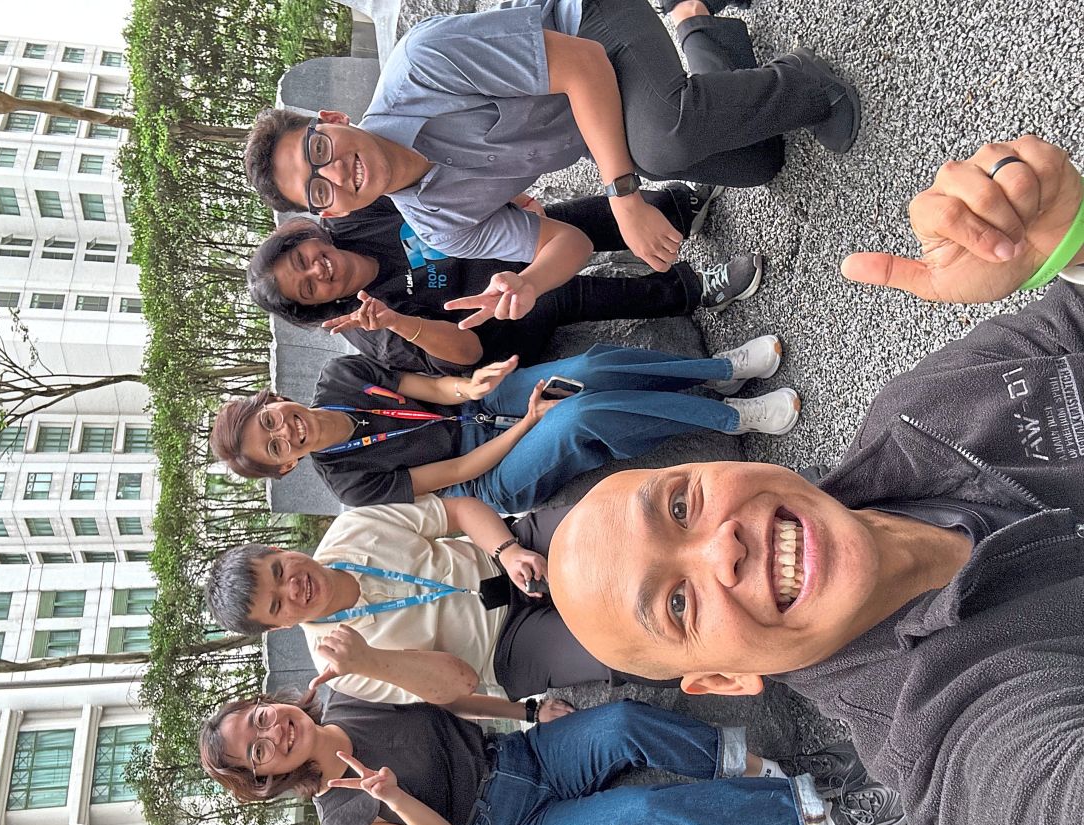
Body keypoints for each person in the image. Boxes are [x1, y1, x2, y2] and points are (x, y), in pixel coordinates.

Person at [544, 135, 1084, 825]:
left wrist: (1070, 238)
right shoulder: (943, 738)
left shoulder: (921, 411)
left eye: (680, 506)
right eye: (677, 603)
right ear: (726, 680)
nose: (721, 549)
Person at [243, 0, 859, 329]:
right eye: (318, 193)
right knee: (760, 161)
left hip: (594, 30)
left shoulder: (419, 65)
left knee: (661, 147)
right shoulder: (435, 226)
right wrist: (529, 283)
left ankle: (809, 82)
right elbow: (565, 240)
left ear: (331, 120)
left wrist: (624, 195)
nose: (336, 176)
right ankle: (701, 29)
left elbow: (583, 65)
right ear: (331, 213)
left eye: (317, 152)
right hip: (603, 122)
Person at [199, 690, 905, 825]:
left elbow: (445, 688)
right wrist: (396, 799)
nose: (273, 733)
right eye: (256, 750)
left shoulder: (342, 702)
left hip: (520, 760)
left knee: (625, 722)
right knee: (643, 808)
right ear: (263, 777)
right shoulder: (344, 823)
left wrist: (530, 711)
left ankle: (761, 770)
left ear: (268, 701)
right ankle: (820, 815)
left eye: (260, 718)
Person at [210, 336, 799, 513]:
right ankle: (731, 418)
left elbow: (425, 389)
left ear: (273, 400)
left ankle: (719, 370)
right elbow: (460, 469)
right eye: (275, 446)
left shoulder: (339, 378)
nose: (286, 430)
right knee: (578, 415)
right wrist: (527, 423)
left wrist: (472, 386)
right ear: (286, 464)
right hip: (485, 476)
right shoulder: (348, 482)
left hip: (469, 409)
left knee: (587, 367)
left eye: (271, 420)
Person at [204, 495, 674, 708]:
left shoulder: (350, 530)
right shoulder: (344, 668)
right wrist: (369, 659)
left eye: (279, 572)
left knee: (606, 520)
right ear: (280, 627)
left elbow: (457, 510)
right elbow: (462, 684)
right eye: (277, 605)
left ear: (280, 551)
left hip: (501, 557)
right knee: (621, 646)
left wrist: (507, 551)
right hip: (505, 647)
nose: (293, 588)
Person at [249, 188, 762, 376]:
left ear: (304, 240)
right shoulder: (370, 330)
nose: (319, 270)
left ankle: (673, 211)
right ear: (320, 306)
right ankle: (695, 290)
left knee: (550, 227)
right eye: (309, 288)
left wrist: (503, 198)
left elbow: (432, 190)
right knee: (545, 292)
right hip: (495, 322)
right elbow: (466, 355)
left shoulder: (353, 219)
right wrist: (400, 322)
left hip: (491, 244)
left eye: (304, 261)